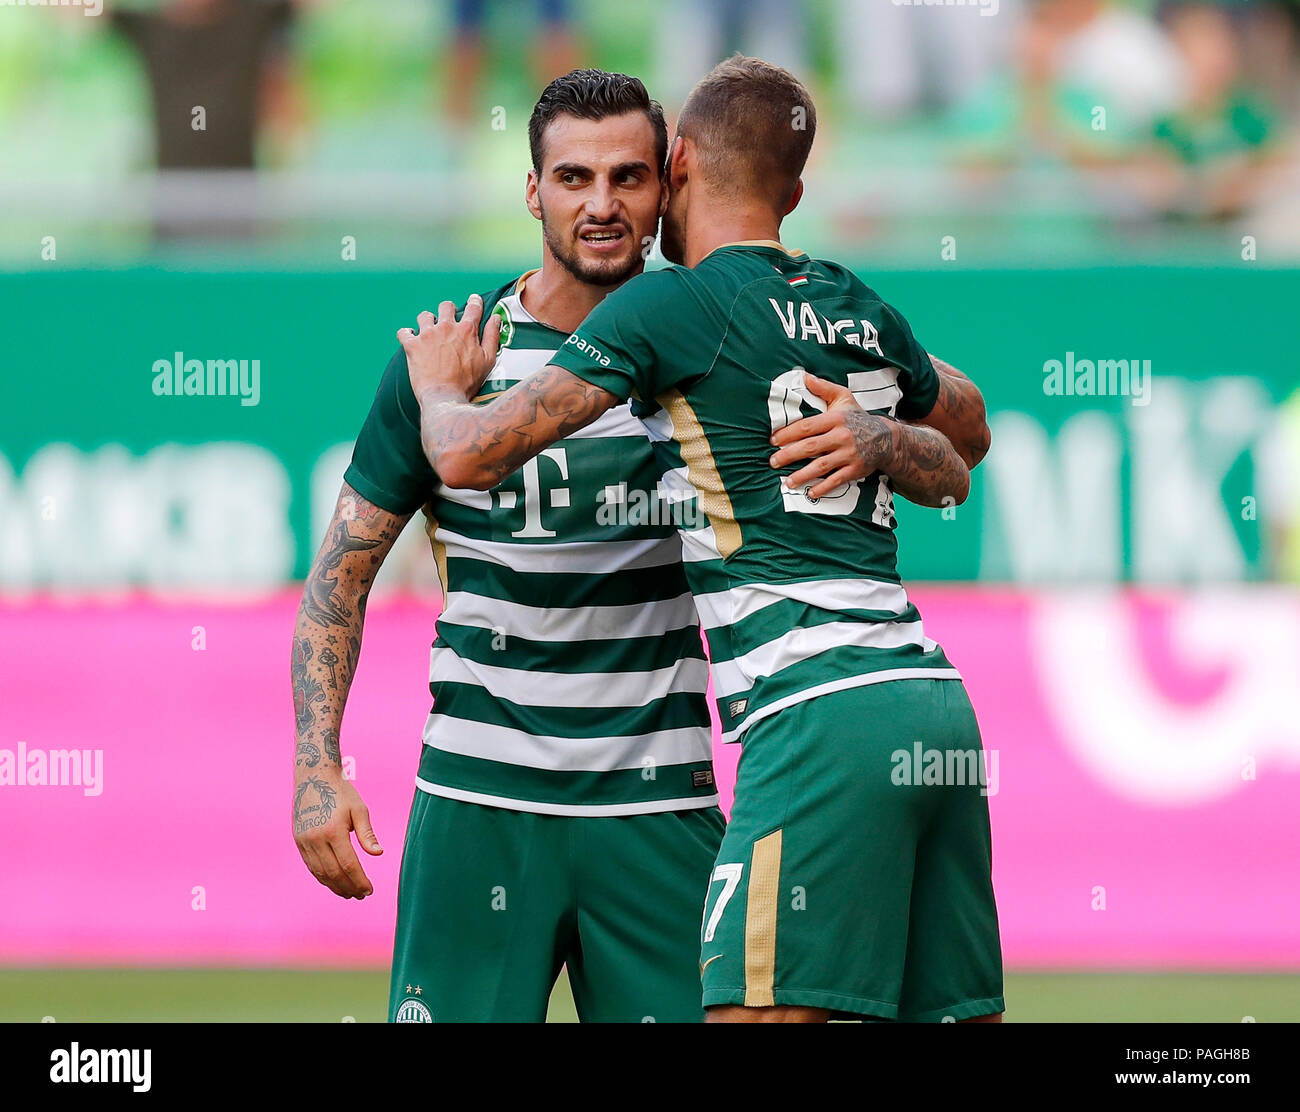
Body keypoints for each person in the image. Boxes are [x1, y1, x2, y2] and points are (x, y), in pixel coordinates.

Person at [291, 68, 941, 1023]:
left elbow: (952, 414)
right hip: (480, 803)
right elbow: (340, 579)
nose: (602, 205)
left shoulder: (720, 333)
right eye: (573, 178)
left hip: (657, 808)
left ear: (669, 181)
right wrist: (316, 766)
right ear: (531, 190)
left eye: (628, 178)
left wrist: (895, 433)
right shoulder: (450, 357)